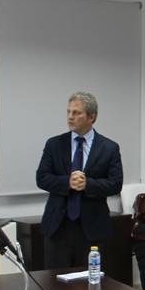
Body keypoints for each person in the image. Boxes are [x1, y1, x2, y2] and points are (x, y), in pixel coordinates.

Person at [36, 91, 123, 269]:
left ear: (92, 117)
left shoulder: (109, 148)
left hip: (92, 229)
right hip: (58, 227)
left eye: (76, 113)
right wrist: (67, 182)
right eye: (68, 112)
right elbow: (42, 178)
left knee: (89, 287)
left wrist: (88, 184)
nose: (70, 117)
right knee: (55, 285)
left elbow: (115, 184)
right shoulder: (54, 144)